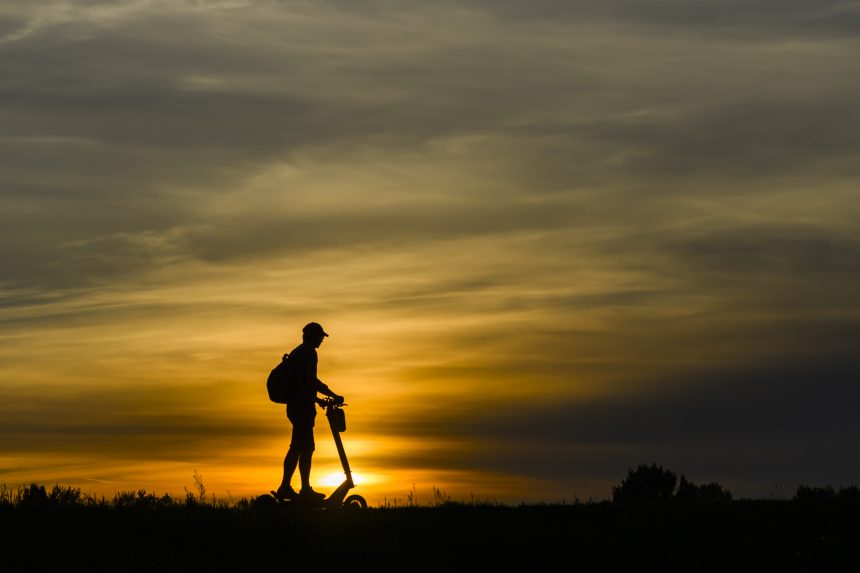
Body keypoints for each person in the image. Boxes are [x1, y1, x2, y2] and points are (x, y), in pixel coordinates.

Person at [275, 322, 344, 502]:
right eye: (320, 336)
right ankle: (299, 489)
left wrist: (318, 400)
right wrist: (333, 395)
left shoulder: (298, 352)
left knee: (300, 447)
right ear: (312, 336)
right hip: (301, 409)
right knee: (304, 448)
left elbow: (302, 383)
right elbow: (310, 381)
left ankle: (289, 487)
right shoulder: (309, 353)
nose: (322, 340)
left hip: (297, 406)